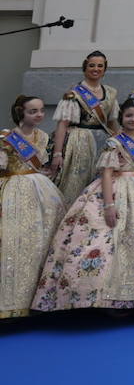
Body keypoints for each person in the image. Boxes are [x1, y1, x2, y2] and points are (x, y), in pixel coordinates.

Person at [32, 98, 134, 312]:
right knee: (107, 240)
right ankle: (102, 296)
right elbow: (107, 172)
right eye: (129, 115)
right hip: (118, 190)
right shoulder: (114, 142)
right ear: (122, 118)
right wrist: (109, 205)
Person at [0, 96, 64, 319]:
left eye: (40, 111)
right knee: (13, 239)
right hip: (12, 188)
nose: (38, 115)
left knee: (43, 238)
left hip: (40, 189)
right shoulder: (6, 138)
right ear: (21, 113)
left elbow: (42, 163)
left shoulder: (43, 136)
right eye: (32, 112)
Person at [50, 50, 118, 205]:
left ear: (105, 69)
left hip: (103, 142)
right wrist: (57, 153)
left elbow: (112, 123)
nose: (96, 69)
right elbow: (62, 124)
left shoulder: (111, 93)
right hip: (79, 142)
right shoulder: (74, 93)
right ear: (85, 67)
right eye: (92, 65)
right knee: (76, 182)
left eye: (100, 66)